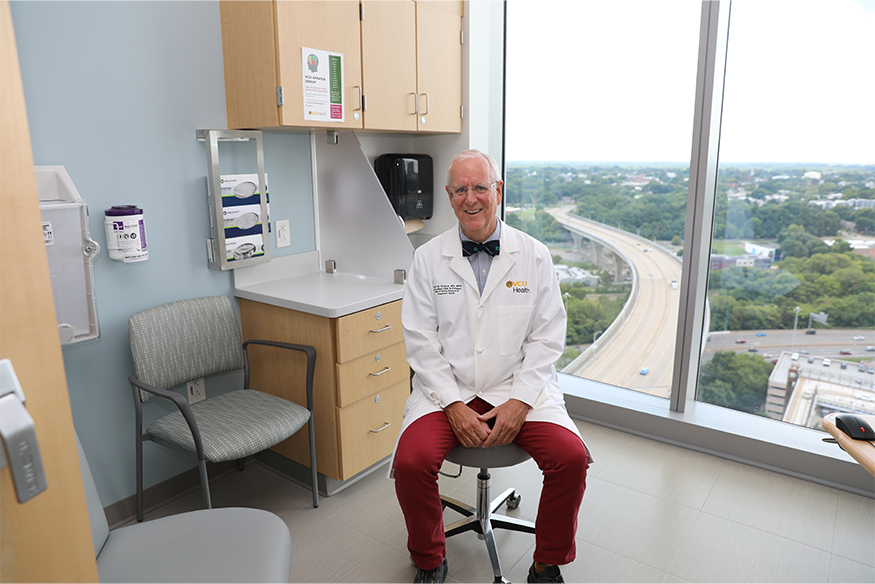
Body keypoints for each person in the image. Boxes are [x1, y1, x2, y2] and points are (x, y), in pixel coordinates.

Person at [391, 149, 591, 584]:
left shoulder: (533, 256)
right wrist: (452, 405)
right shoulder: (427, 259)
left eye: (480, 187)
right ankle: (429, 558)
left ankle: (545, 563)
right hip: (448, 391)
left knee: (571, 458)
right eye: (460, 189)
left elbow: (547, 336)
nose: (471, 198)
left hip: (518, 388)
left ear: (498, 191)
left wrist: (521, 401)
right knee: (410, 462)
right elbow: (421, 342)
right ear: (448, 196)